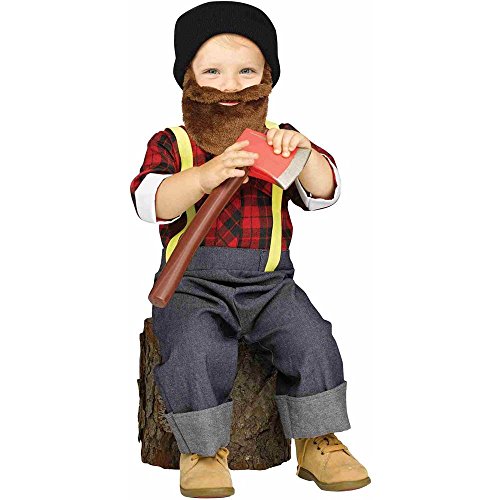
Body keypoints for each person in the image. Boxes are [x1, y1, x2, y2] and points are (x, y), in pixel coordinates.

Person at [130, 1, 370, 496]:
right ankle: (201, 450)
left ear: (267, 78)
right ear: (188, 78)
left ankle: (317, 439)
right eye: (212, 71)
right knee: (194, 349)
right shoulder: (173, 142)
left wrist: (305, 154)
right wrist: (205, 176)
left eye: (246, 72)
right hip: (192, 285)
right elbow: (150, 201)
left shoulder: (280, 140)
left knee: (312, 340)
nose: (230, 86)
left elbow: (325, 192)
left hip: (270, 285)